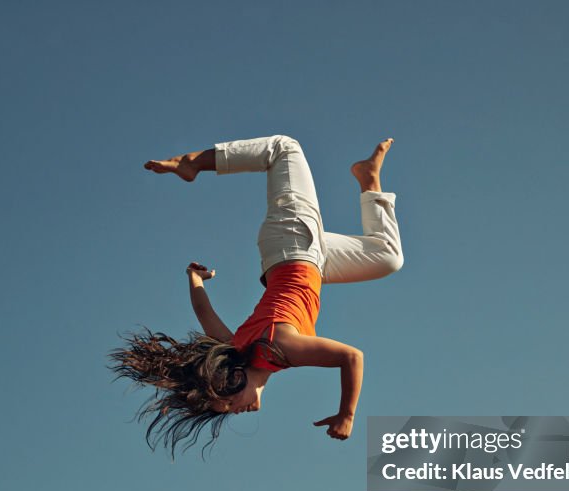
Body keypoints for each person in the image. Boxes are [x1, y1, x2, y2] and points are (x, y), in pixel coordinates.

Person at [110, 134, 403, 456]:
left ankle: (191, 163)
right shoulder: (238, 347)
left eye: (230, 403)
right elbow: (204, 314)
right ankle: (368, 178)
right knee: (388, 257)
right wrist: (195, 279)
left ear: (236, 378)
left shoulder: (280, 348)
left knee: (285, 148)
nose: (236, 411)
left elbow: (352, 357)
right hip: (311, 261)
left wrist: (346, 415)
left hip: (293, 243)